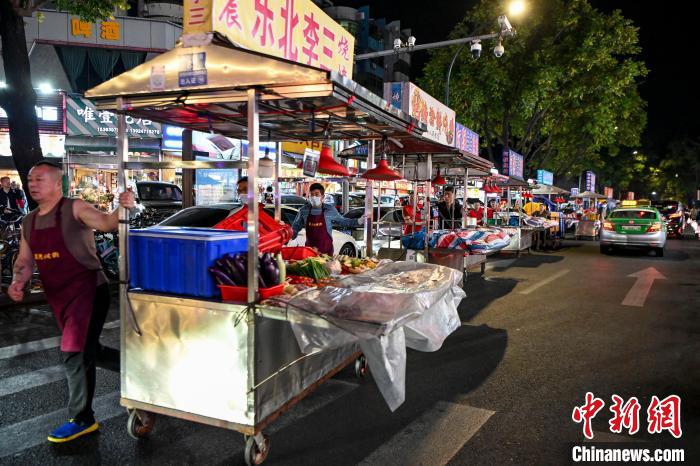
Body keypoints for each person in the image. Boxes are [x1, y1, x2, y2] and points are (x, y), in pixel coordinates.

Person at [7, 159, 138, 443]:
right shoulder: (28, 222)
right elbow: (25, 259)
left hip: (88, 290)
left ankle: (83, 418)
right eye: (31, 179)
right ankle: (140, 369)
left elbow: (106, 223)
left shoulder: (74, 207)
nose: (32, 184)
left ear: (57, 183)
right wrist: (19, 280)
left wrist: (123, 205)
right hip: (59, 297)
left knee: (74, 350)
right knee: (92, 351)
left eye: (39, 178)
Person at [291, 183, 364, 255]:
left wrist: (358, 221)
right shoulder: (304, 210)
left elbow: (343, 221)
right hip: (310, 252)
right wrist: (287, 237)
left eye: (316, 194)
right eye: (311, 195)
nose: (313, 197)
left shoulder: (330, 209)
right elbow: (296, 227)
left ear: (323, 197)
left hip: (326, 253)